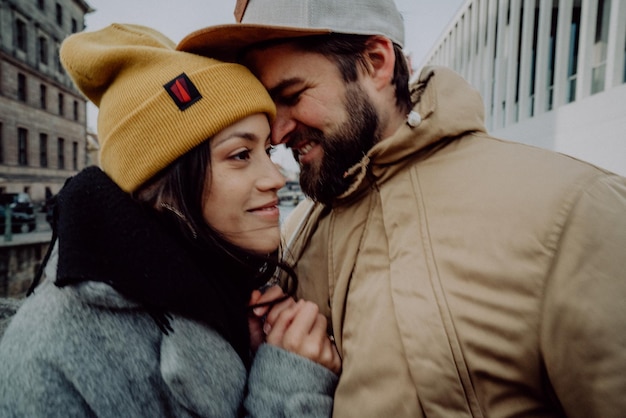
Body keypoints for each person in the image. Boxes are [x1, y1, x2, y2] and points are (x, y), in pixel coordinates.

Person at [176, 0, 626, 417]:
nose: (277, 131)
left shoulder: (577, 209)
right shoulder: (297, 229)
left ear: (376, 63)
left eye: (292, 95)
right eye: (270, 106)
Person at [0, 23, 340, 417]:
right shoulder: (50, 354)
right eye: (240, 155)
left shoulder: (226, 293)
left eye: (266, 150)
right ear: (164, 181)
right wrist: (285, 388)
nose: (277, 178)